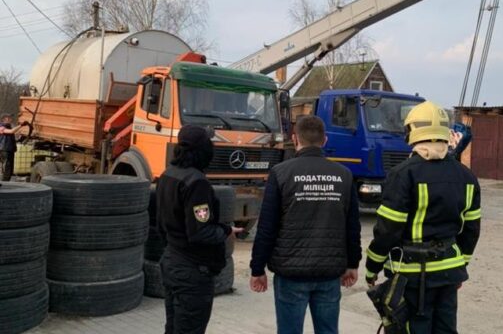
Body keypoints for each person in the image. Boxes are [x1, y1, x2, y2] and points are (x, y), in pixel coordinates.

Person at [365, 101, 481, 334]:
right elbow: (471, 230)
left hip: (412, 277)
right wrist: (460, 265)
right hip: (449, 273)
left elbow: (388, 230)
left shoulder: (403, 174)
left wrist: (372, 267)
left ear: (411, 131)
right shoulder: (467, 176)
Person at [249, 115, 362, 334]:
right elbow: (352, 226)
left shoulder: (281, 173)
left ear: (295, 139)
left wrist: (257, 268)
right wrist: (353, 263)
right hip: (329, 272)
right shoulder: (344, 175)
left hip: (291, 273)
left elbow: (267, 227)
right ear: (325, 140)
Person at [156, 125, 243, 334]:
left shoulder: (167, 175)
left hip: (171, 261)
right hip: (192, 271)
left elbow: (160, 224)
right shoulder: (196, 183)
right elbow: (200, 232)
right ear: (203, 149)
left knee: (173, 327)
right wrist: (226, 231)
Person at [0, 113, 26, 181]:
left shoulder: (9, 126)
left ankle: (7, 181)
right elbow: (11, 132)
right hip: (4, 150)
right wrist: (21, 125)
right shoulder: (1, 127)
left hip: (9, 149)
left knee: (10, 168)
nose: (11, 119)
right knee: (7, 167)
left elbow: (14, 133)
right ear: (5, 119)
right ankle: (5, 183)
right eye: (9, 118)